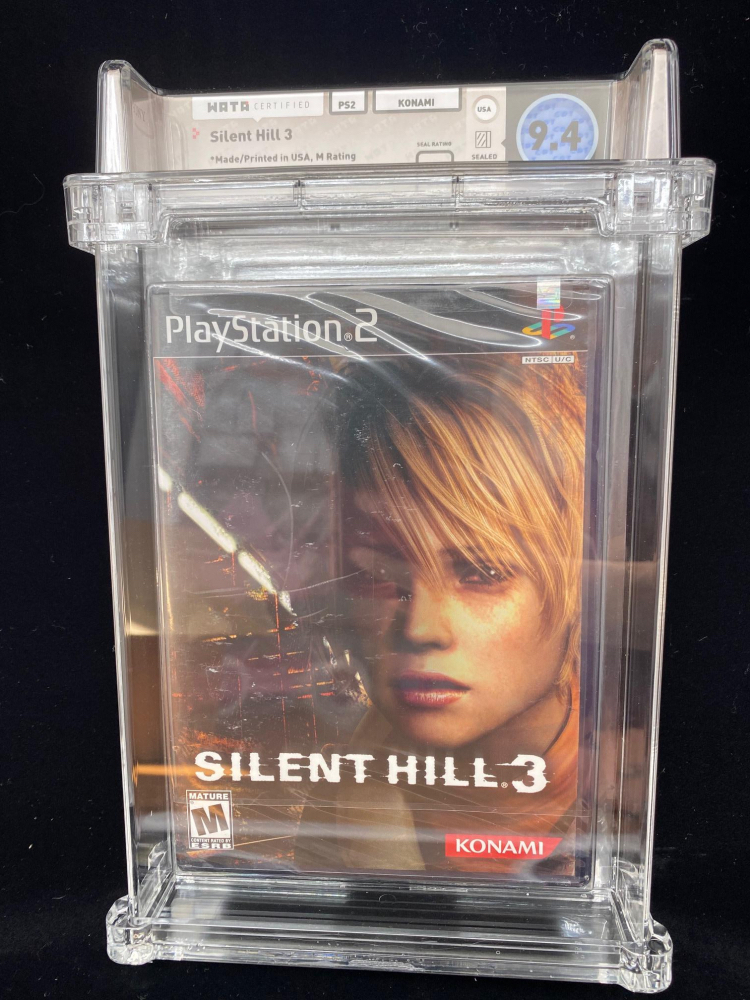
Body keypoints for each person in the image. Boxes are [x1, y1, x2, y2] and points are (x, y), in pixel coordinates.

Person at [295, 353, 587, 876]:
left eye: (482, 572)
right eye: (377, 574)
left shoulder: (629, 788)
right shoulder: (336, 804)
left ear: (575, 584)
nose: (421, 629)